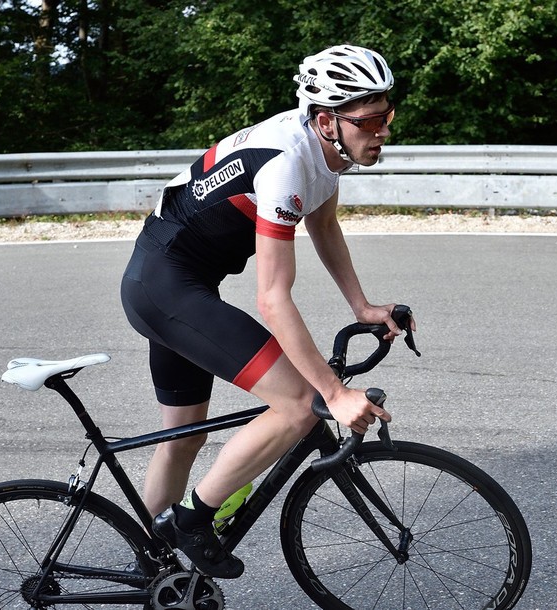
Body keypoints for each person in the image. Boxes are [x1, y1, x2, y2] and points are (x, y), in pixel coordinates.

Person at [120, 44, 410, 579]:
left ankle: (154, 573)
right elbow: (273, 298)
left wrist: (362, 305)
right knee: (300, 405)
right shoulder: (284, 164)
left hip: (174, 282)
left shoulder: (324, 153)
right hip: (164, 287)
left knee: (184, 438)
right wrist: (334, 393)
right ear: (327, 120)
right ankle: (191, 522)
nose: (383, 131)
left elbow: (323, 225)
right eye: (370, 121)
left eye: (387, 116)